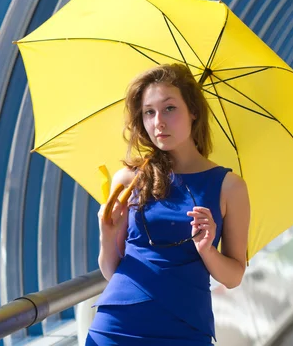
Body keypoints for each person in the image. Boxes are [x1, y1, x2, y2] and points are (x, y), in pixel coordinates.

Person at [85, 63, 251, 345]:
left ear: (193, 111)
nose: (158, 121)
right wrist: (107, 235)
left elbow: (234, 277)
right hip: (116, 327)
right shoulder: (128, 180)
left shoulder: (230, 187)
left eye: (169, 108)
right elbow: (111, 270)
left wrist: (207, 250)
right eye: (149, 112)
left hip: (186, 328)